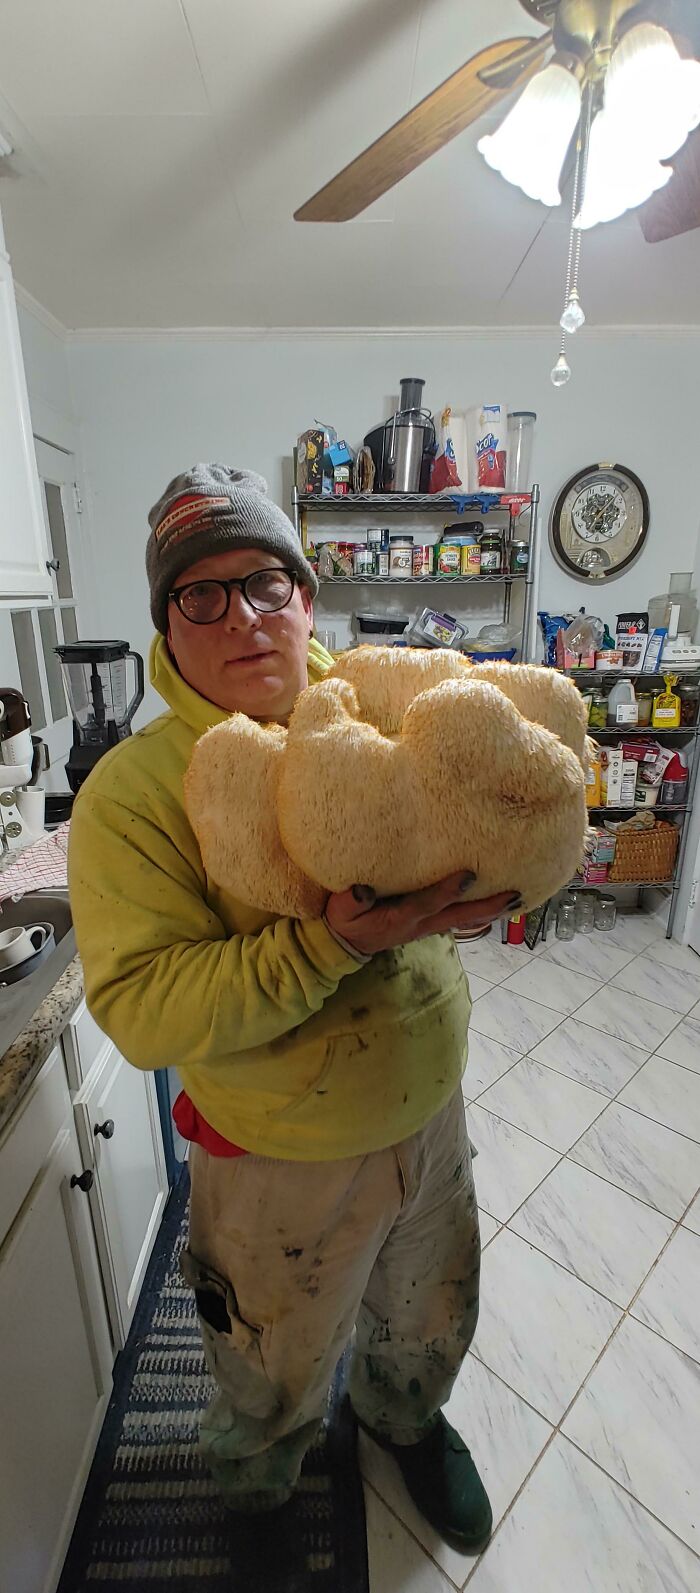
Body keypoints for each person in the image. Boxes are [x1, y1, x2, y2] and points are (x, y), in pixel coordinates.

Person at [70, 464, 519, 1553]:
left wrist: (476, 887)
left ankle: (405, 1423)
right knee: (268, 1356)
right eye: (201, 596)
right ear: (166, 629)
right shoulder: (132, 796)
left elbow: (465, 850)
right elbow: (141, 1007)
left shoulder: (382, 711)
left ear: (306, 596)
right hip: (277, 1150)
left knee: (428, 1309)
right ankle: (260, 1482)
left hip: (428, 1113)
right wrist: (328, 945)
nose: (243, 619)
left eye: (266, 583)